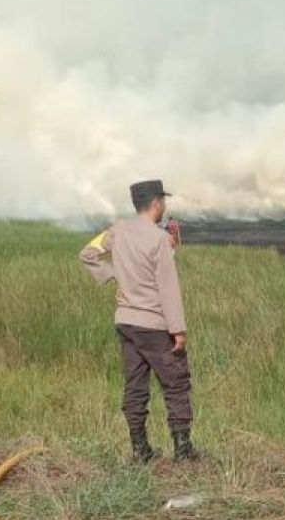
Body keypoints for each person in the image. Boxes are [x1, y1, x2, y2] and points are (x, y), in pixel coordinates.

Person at [79, 180, 197, 463]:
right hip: (154, 324)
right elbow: (168, 289)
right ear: (156, 203)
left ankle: (140, 450)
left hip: (126, 321)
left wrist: (114, 275)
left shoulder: (116, 230)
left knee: (135, 384)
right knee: (176, 383)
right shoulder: (158, 239)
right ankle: (183, 451)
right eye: (163, 202)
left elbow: (87, 253)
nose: (165, 206)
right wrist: (178, 330)